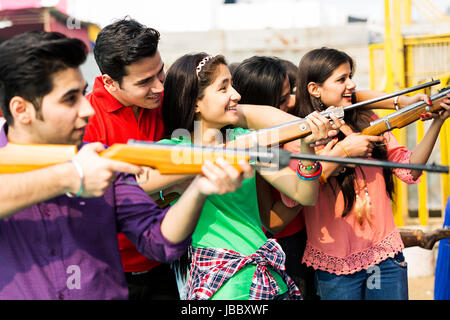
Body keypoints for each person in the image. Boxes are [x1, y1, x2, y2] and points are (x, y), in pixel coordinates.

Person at [0, 31, 251, 300]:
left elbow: (158, 240)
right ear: (21, 110)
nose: (86, 110)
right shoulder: (88, 165)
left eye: (82, 94)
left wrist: (199, 189)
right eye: (69, 99)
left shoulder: (101, 159)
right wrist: (72, 176)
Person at [156, 52, 342, 300]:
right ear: (196, 102)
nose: (236, 95)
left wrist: (307, 147)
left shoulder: (244, 140)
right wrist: (232, 151)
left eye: (231, 85)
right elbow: (142, 181)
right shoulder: (172, 148)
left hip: (269, 279)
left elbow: (304, 194)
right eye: (223, 88)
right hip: (224, 286)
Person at [282, 47, 450, 300]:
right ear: (314, 89)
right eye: (341, 79)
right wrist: (340, 153)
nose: (351, 84)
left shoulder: (366, 118)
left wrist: (437, 121)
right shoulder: (298, 138)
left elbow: (409, 171)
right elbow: (294, 197)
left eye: (350, 76)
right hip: (335, 265)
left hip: (386, 257)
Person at [83, 18, 176, 300]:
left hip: (167, 260)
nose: (159, 87)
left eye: (160, 73)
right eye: (145, 82)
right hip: (111, 269)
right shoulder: (87, 119)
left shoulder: (163, 102)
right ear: (110, 82)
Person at [232, 55, 318, 299]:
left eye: (291, 91)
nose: (292, 102)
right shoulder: (255, 148)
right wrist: (321, 171)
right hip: (282, 248)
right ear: (262, 105)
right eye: (282, 99)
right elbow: (273, 221)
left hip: (304, 240)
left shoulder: (287, 132)